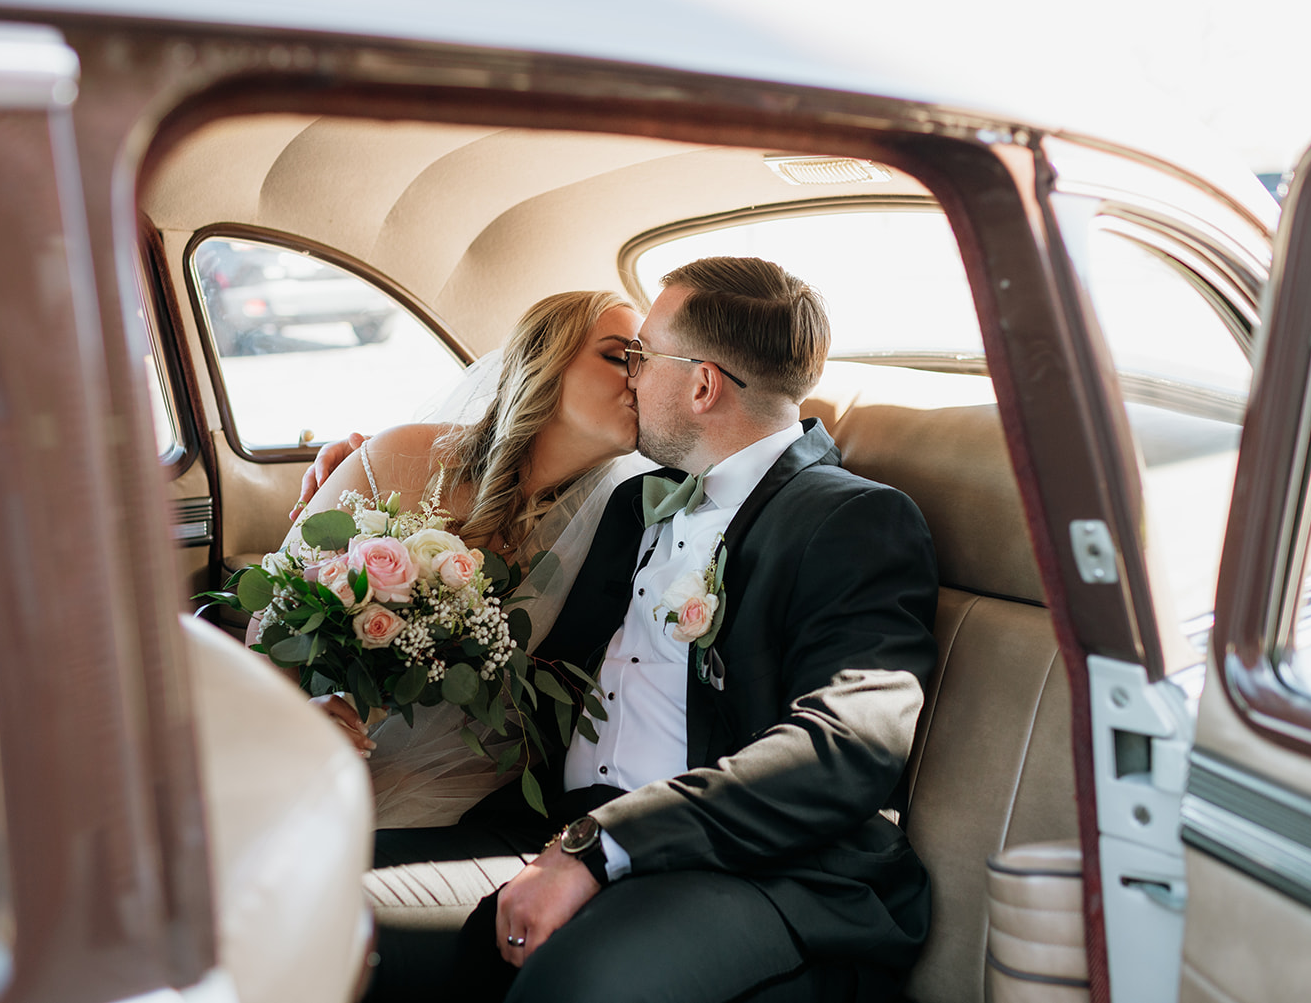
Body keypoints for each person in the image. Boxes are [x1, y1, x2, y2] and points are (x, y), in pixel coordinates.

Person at [359, 257, 939, 1003]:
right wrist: (372, 475)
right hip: (554, 826)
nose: (630, 375)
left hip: (747, 869)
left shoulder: (855, 518)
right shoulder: (633, 504)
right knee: (304, 894)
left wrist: (606, 846)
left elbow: (845, 748)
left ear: (702, 384)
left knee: (576, 984)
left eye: (642, 356)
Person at [255, 288, 648, 827]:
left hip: (477, 789)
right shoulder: (393, 459)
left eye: (645, 363)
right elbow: (271, 628)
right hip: (322, 755)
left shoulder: (634, 518)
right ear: (544, 363)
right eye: (617, 356)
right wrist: (298, 716)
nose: (639, 378)